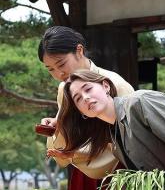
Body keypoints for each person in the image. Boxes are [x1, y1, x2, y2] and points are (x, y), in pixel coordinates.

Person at [38, 26, 135, 186]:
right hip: (84, 172)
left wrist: (74, 154)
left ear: (79, 50)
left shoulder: (115, 83)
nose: (58, 74)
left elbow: (132, 138)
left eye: (61, 64)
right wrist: (58, 124)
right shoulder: (64, 88)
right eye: (50, 70)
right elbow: (70, 130)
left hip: (119, 172)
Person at [57, 70, 165, 175]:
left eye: (88, 89)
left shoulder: (140, 101)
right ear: (81, 111)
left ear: (105, 86)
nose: (86, 98)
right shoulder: (113, 135)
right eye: (78, 99)